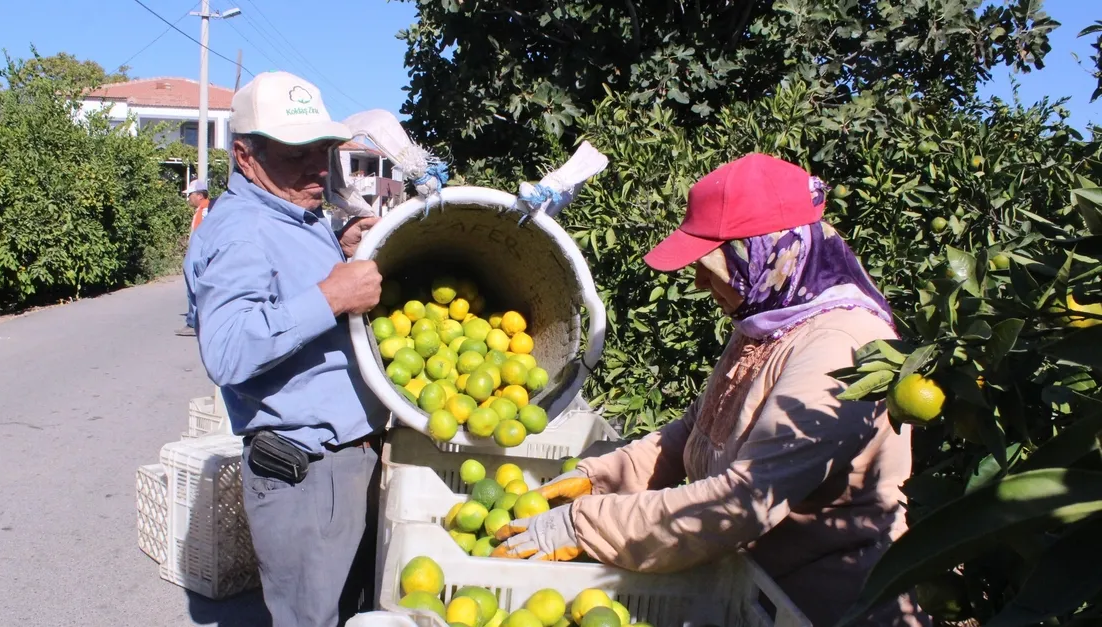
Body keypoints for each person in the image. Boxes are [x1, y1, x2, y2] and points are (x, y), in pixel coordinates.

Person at [492, 154, 930, 627]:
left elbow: (743, 501)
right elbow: (697, 430)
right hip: (750, 590)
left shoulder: (839, 349)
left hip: (820, 609)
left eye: (710, 262)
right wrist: (603, 477)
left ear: (765, 251)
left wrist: (586, 525)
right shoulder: (768, 320)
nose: (699, 281)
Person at [183, 71, 388, 627]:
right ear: (245, 155)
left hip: (347, 457)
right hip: (307, 470)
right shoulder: (240, 230)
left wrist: (337, 249)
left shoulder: (293, 213)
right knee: (309, 617)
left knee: (348, 609)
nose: (316, 166)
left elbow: (280, 289)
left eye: (322, 150)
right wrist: (330, 295)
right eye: (296, 152)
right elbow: (225, 350)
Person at [177, 179, 211, 337]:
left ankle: (194, 322)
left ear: (199, 195)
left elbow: (201, 236)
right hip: (198, 254)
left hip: (198, 255)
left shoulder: (205, 211)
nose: (188, 198)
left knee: (194, 286)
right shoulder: (202, 210)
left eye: (190, 194)